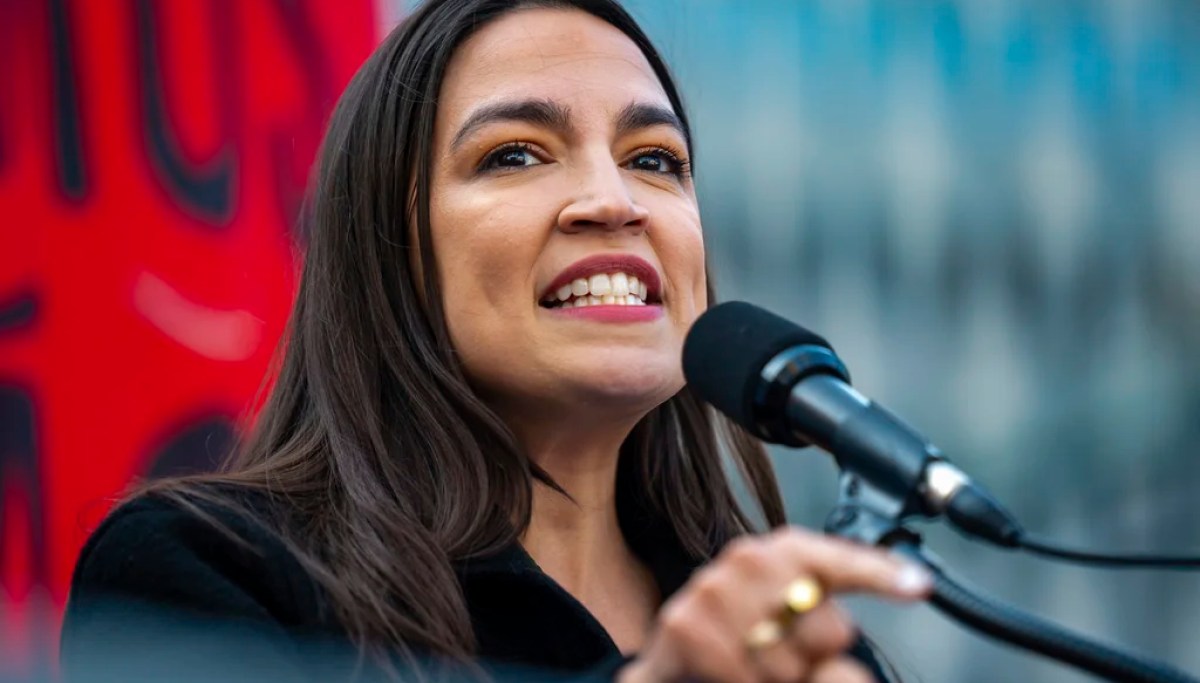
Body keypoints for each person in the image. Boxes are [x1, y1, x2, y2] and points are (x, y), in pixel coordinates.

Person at [60, 1, 933, 681]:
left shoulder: (789, 640)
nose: (615, 200)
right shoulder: (205, 569)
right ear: (388, 250)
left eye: (655, 159)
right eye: (516, 154)